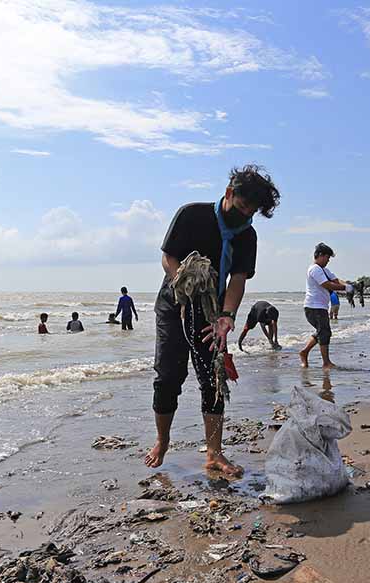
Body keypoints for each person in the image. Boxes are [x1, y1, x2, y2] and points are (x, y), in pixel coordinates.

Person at [145, 164, 280, 477]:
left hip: (213, 313)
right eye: (244, 207)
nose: (246, 215)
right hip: (174, 305)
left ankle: (214, 453)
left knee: (213, 377)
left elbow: (238, 277)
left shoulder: (247, 236)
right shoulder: (192, 215)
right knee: (168, 375)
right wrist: (183, 278)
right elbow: (169, 257)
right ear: (229, 193)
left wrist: (227, 316)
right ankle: (162, 441)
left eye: (253, 212)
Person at [299, 243, 348, 368]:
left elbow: (336, 280)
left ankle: (304, 352)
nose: (328, 261)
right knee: (324, 333)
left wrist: (349, 285)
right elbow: (327, 285)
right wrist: (345, 288)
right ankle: (326, 363)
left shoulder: (324, 270)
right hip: (313, 307)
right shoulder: (314, 269)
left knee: (323, 332)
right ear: (320, 255)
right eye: (327, 257)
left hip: (321, 307)